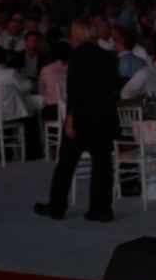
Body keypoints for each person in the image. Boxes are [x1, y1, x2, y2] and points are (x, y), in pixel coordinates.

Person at [34, 17, 120, 222]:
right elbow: (114, 88)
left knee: (66, 162)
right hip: (104, 115)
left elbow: (75, 91)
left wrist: (71, 117)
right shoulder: (109, 57)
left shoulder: (77, 57)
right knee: (102, 164)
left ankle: (57, 206)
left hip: (83, 116)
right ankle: (101, 209)